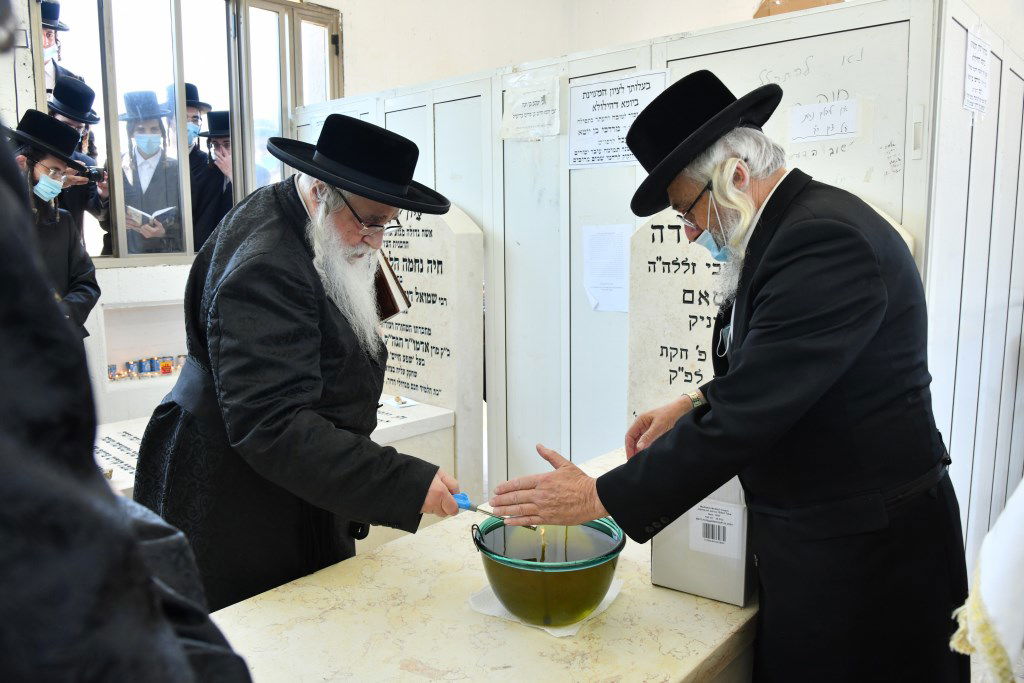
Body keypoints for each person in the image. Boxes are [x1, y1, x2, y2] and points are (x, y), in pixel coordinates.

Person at [490, 70, 969, 682]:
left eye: (688, 208)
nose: (688, 231)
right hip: (830, 543)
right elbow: (779, 367)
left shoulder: (822, 241)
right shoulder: (790, 229)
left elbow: (750, 413)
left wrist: (598, 495)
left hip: (869, 560)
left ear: (736, 175)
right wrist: (694, 400)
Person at [134, 114, 462, 611]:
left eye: (386, 225)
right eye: (368, 222)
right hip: (235, 488)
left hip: (286, 471)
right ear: (320, 191)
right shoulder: (267, 265)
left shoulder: (307, 221)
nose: (376, 240)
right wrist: (405, 483)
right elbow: (273, 423)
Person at [10, 109, 98, 338]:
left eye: (61, 174)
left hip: (59, 342)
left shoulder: (62, 221)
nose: (58, 181)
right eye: (53, 171)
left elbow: (86, 283)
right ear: (22, 163)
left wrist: (61, 312)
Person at [190, 110, 268, 249]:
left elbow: (257, 213)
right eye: (215, 145)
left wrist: (233, 175)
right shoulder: (209, 172)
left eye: (227, 144)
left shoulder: (259, 173)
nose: (220, 151)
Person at [119, 90, 182, 254]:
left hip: (164, 254)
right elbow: (104, 216)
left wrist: (165, 232)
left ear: (161, 131)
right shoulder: (118, 164)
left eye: (154, 129)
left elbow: (190, 217)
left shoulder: (177, 169)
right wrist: (118, 220)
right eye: (141, 129)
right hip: (126, 253)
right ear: (131, 132)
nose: (149, 135)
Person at [48, 75, 110, 241]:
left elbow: (98, 213)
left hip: (71, 250)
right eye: (66, 125)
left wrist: (103, 193)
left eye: (78, 128)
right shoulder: (32, 156)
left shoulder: (86, 164)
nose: (72, 133)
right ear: (51, 118)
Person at [40, 0, 80, 94]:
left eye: (49, 35)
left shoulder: (74, 81)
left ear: (56, 37)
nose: (44, 43)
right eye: (39, 34)